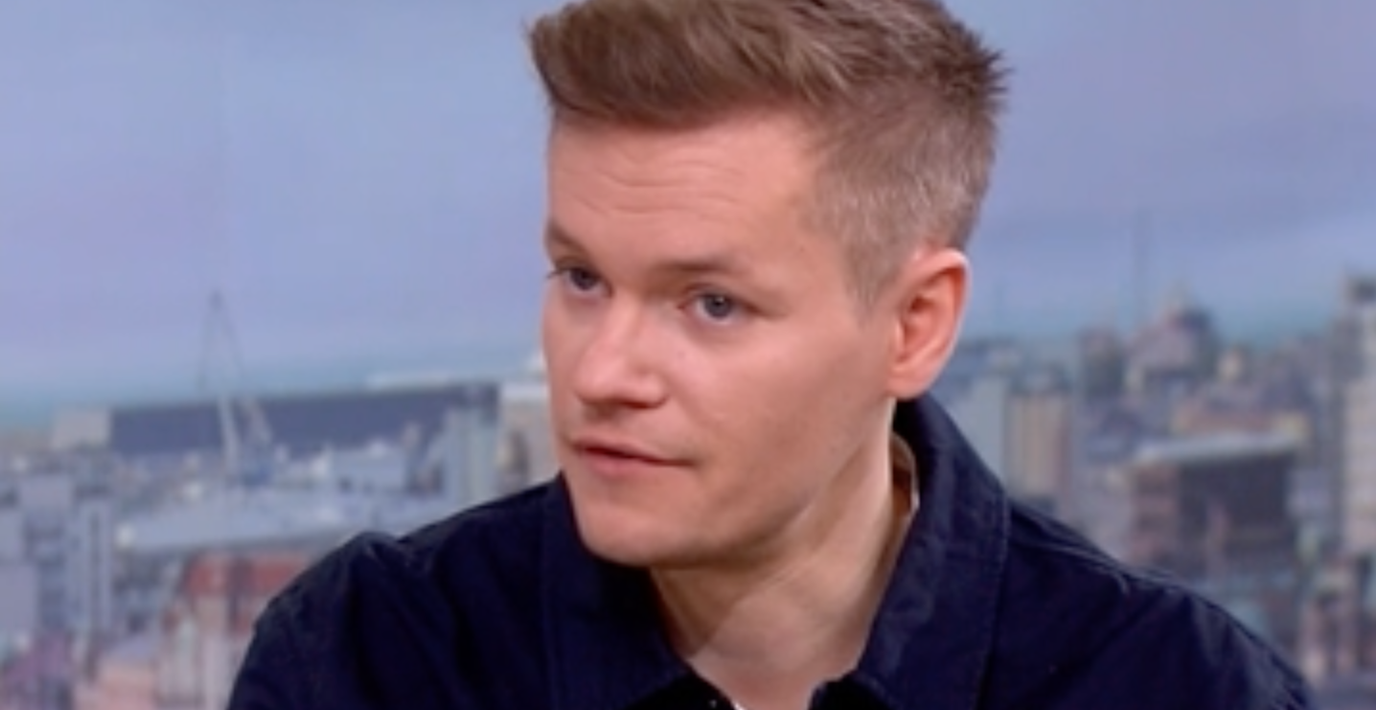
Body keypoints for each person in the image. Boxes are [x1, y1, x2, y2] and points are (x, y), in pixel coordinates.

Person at [229, 1, 1316, 708]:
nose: (602, 373)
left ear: (915, 325)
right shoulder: (371, 661)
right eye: (581, 277)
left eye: (710, 303)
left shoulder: (1173, 686)